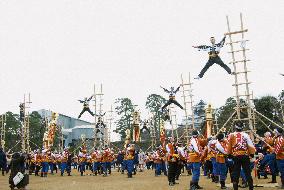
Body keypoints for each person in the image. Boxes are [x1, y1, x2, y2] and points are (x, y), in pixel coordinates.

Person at [227, 121, 255, 190]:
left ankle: (235, 188)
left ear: (235, 127)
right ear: (242, 127)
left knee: (236, 172)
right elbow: (251, 145)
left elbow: (229, 146)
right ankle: (251, 188)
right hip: (245, 155)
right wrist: (252, 154)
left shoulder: (231, 135)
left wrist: (229, 154)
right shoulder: (246, 135)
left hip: (236, 156)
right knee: (247, 172)